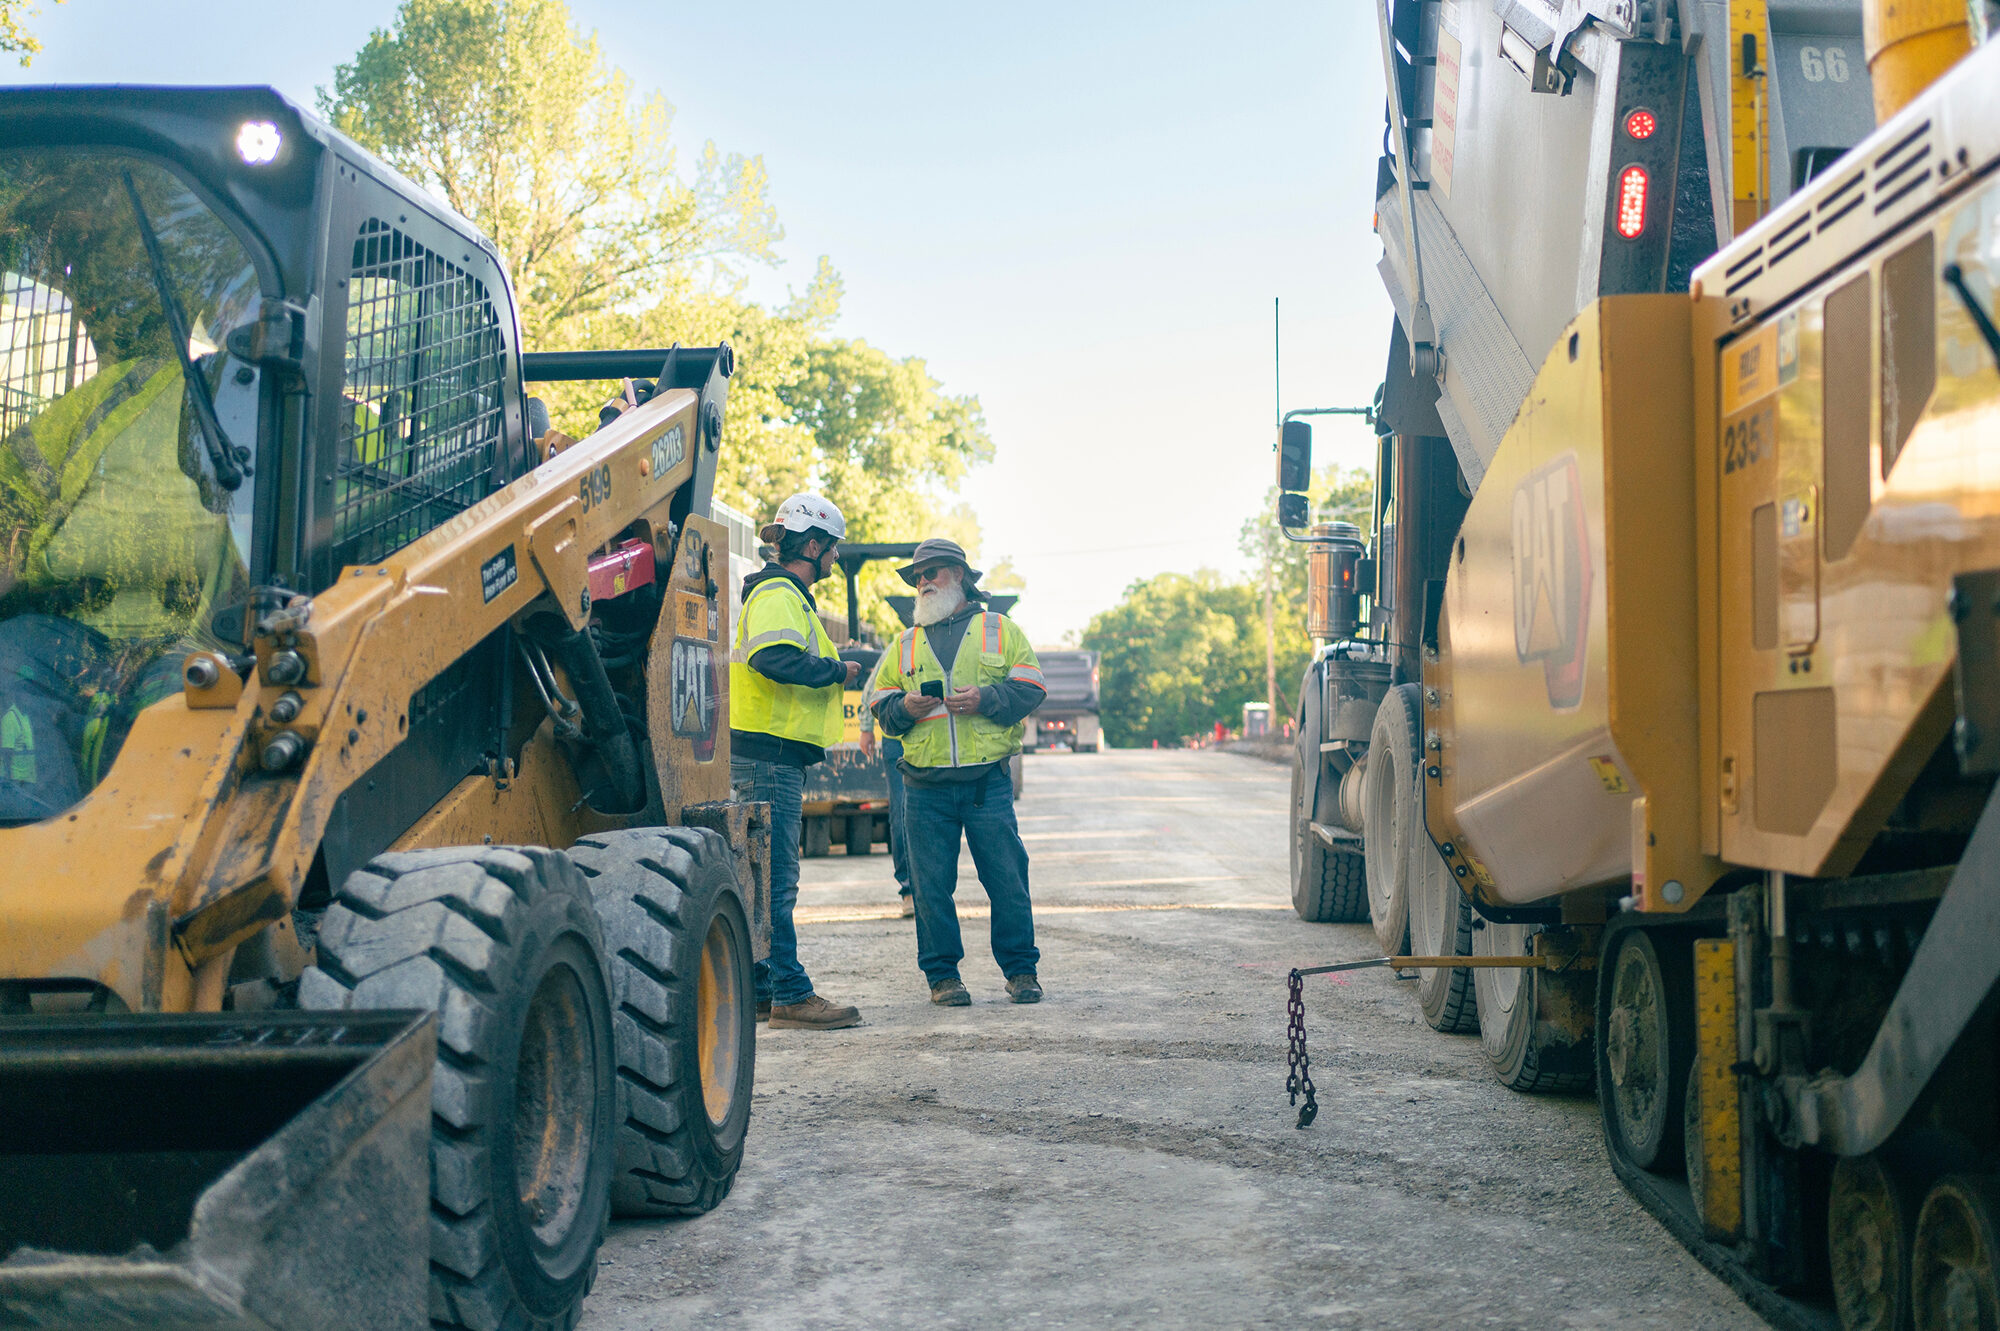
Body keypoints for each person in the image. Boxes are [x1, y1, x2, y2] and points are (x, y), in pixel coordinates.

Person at [869, 538, 1047, 1005]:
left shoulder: (1000, 630)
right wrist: (904, 706)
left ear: (961, 576)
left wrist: (987, 699)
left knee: (1007, 880)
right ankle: (943, 978)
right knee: (930, 890)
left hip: (986, 783)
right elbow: (880, 706)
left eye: (933, 573)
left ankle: (1022, 972)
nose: (924, 583)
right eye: (918, 577)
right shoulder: (904, 644)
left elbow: (1031, 687)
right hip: (924, 788)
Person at [730, 492, 864, 1031]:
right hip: (769, 757)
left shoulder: (783, 595)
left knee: (761, 878)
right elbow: (771, 659)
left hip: (769, 755)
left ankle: (764, 988)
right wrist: (837, 672)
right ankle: (789, 992)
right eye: (831, 549)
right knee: (775, 880)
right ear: (812, 544)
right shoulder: (781, 593)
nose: (835, 559)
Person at [857, 652, 916, 917]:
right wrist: (867, 727)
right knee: (903, 813)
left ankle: (930, 889)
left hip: (936, 739)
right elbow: (872, 689)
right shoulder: (904, 644)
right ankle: (909, 890)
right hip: (899, 739)